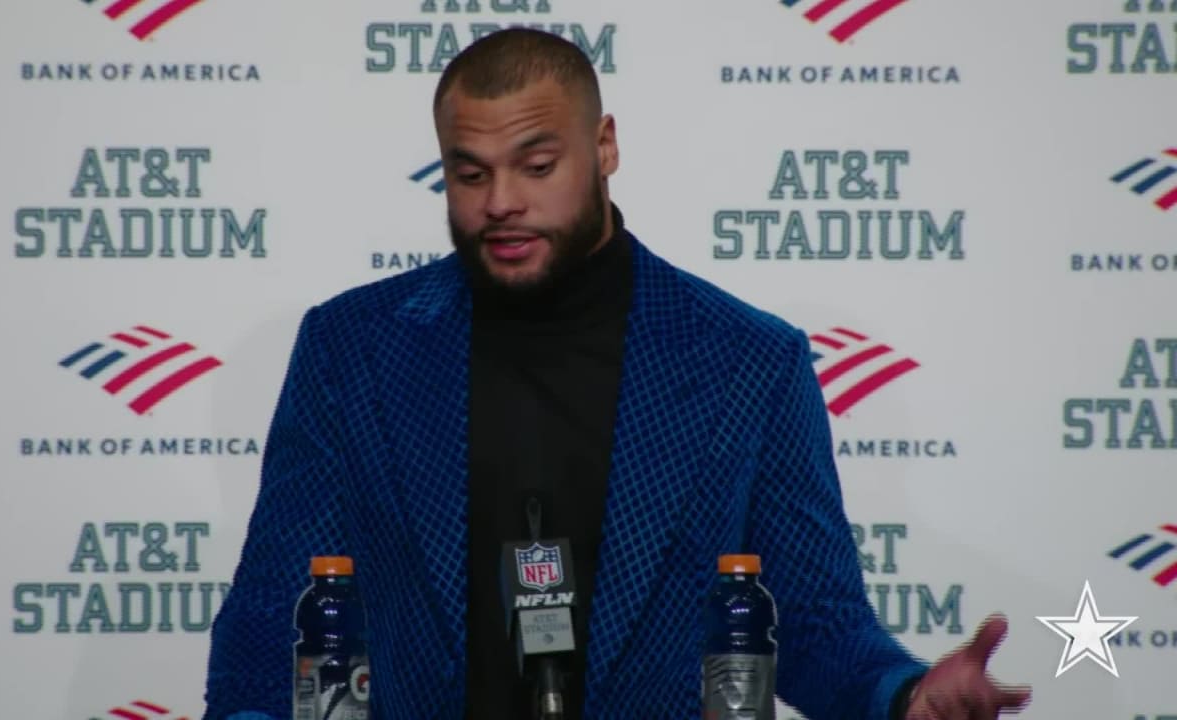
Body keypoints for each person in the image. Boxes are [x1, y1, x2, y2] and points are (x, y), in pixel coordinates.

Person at [203, 28, 1032, 720]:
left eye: (536, 164)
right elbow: (273, 614)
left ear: (605, 149)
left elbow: (814, 625)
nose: (500, 202)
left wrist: (905, 694)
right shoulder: (351, 346)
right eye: (470, 173)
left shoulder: (750, 360)